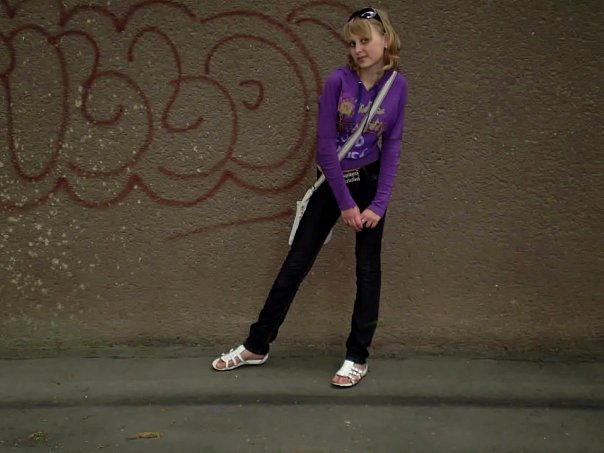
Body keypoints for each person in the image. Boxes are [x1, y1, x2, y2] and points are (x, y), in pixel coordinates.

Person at [212, 7, 407, 387]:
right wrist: (346, 204)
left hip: (370, 183)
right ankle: (257, 345)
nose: (357, 49)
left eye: (365, 40)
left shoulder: (397, 86)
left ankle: (357, 357)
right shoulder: (337, 81)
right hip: (333, 183)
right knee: (295, 265)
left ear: (385, 39)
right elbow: (325, 147)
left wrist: (378, 204)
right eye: (351, 43)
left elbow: (393, 146)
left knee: (368, 272)